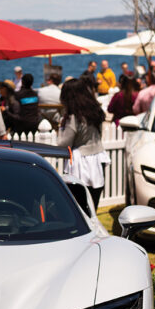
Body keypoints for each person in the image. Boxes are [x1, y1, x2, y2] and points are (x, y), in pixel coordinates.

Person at [56, 77, 110, 210]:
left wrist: (60, 129)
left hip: (80, 163)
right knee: (93, 206)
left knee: (79, 208)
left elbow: (65, 143)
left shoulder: (74, 117)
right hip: (97, 158)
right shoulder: (95, 112)